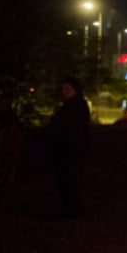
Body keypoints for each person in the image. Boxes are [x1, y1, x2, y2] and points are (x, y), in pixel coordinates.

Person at [47, 76, 91, 217]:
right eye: (63, 89)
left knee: (70, 179)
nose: (64, 92)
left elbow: (73, 127)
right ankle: (70, 207)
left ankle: (73, 208)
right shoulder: (70, 106)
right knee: (65, 179)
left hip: (72, 149)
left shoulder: (76, 106)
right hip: (65, 149)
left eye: (68, 89)